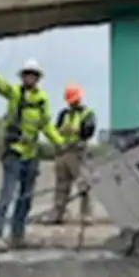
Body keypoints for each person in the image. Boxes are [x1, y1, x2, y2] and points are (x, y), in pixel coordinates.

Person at [0, 55, 64, 251]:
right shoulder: (15, 93)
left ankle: (17, 236)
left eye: (33, 75)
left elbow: (46, 125)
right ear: (23, 77)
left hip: (31, 154)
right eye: (27, 75)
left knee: (25, 199)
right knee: (7, 195)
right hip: (13, 153)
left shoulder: (42, 100)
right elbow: (1, 86)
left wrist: (60, 142)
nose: (30, 79)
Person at [46, 83, 97, 225]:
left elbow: (89, 130)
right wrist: (62, 132)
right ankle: (58, 213)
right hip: (63, 152)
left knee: (83, 184)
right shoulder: (64, 114)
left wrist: (77, 130)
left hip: (77, 152)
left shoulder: (87, 113)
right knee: (61, 186)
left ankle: (86, 215)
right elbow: (55, 130)